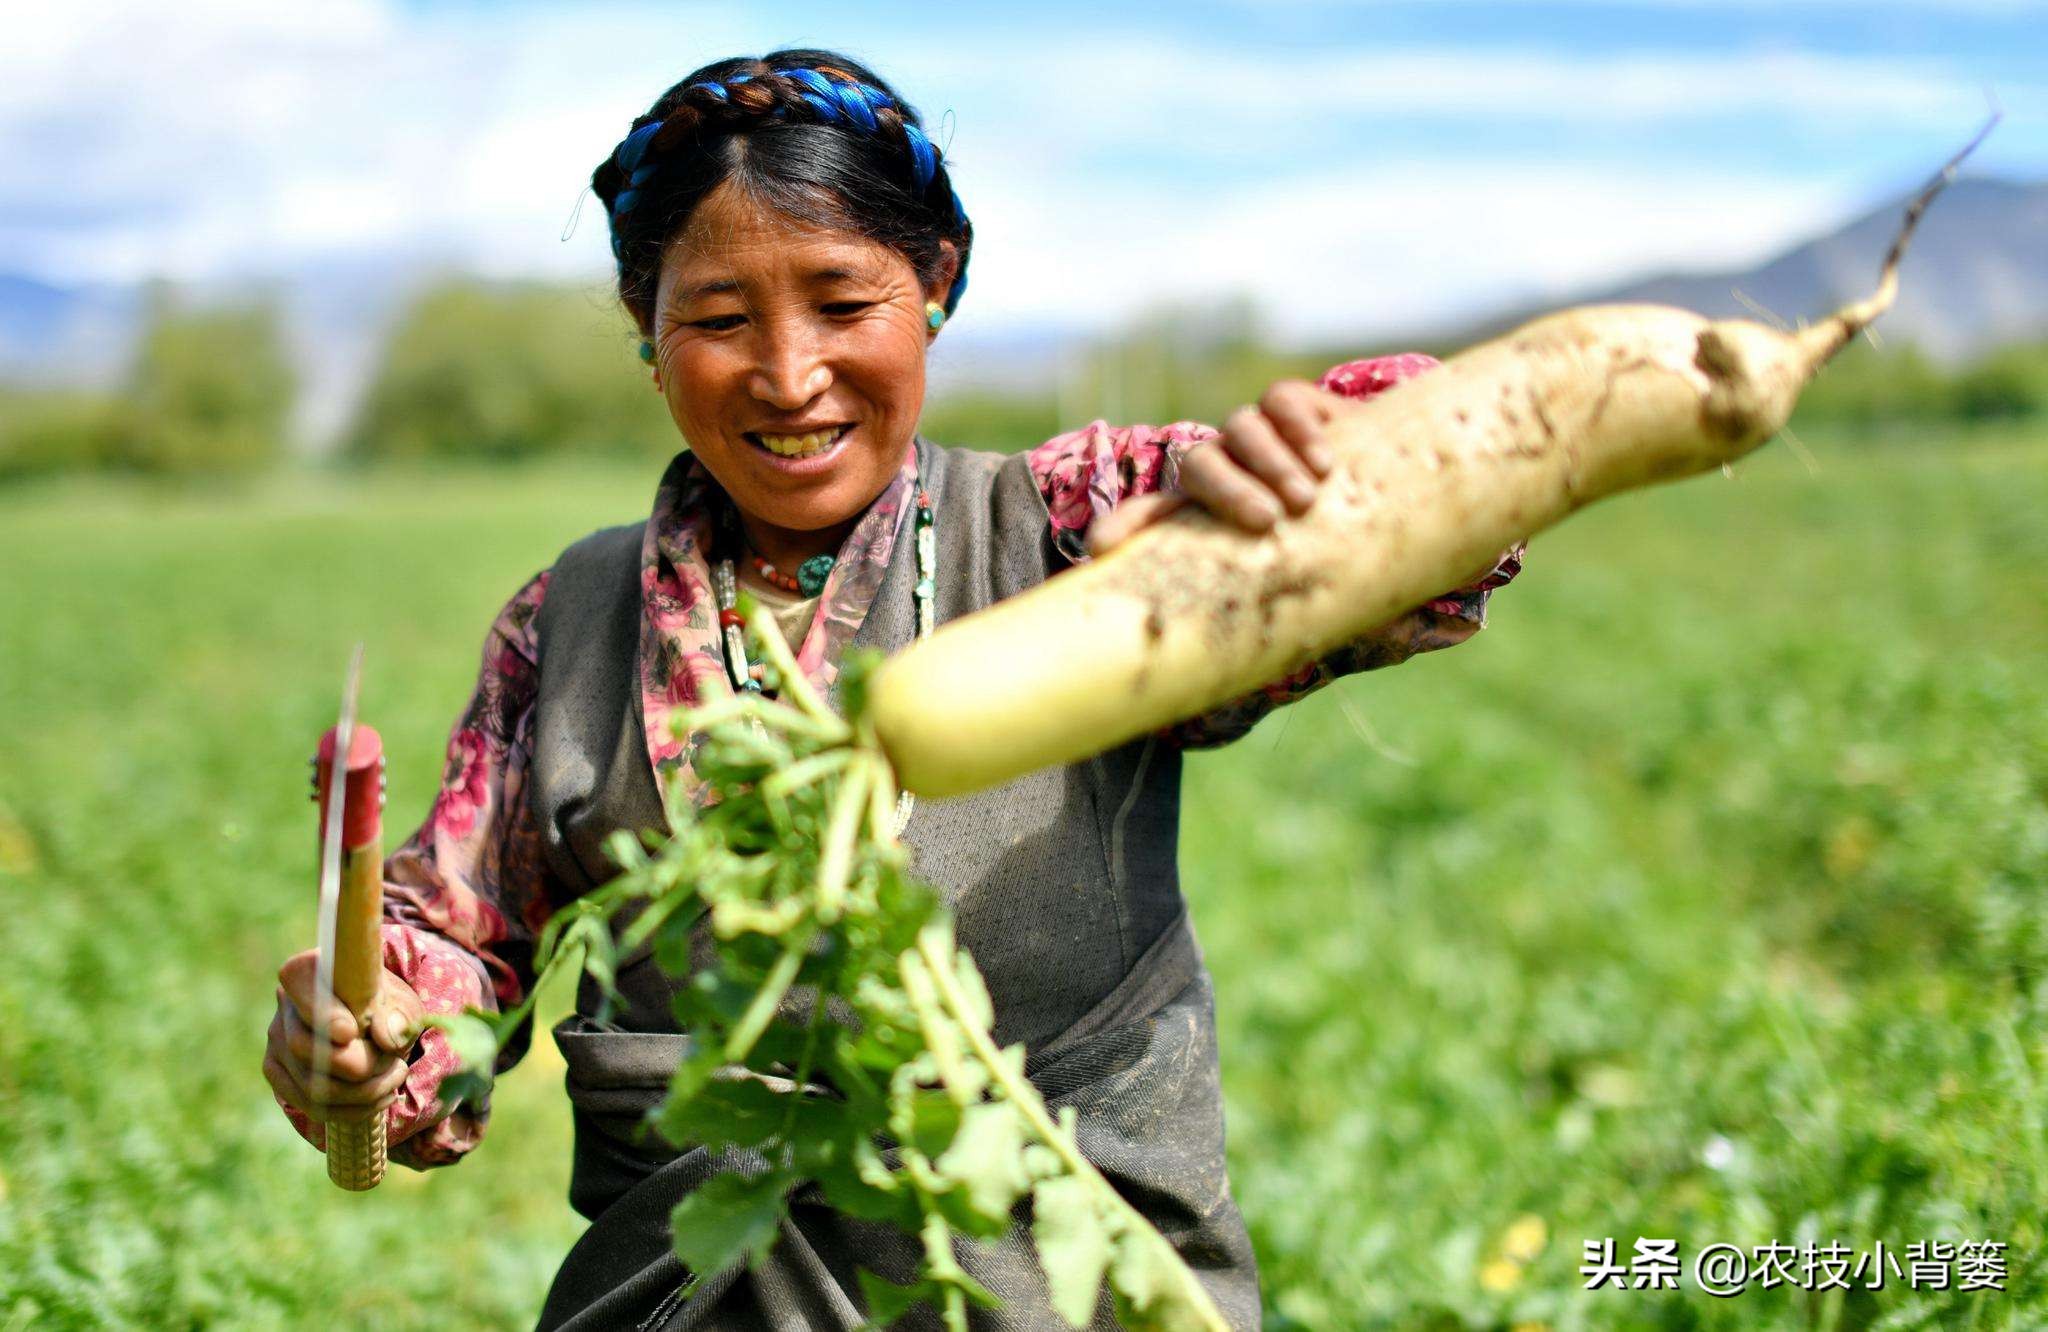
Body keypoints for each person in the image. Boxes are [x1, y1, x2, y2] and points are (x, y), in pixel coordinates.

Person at [261, 48, 1521, 1331]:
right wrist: (371, 1032)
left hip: (1063, 1287)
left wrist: (1322, 482)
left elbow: (1450, 479)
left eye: (841, 302)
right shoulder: (569, 621)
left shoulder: (1079, 529)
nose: (789, 373)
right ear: (648, 333)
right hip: (692, 1294)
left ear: (935, 286)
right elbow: (452, 950)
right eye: (716, 318)